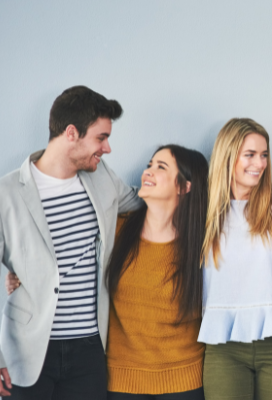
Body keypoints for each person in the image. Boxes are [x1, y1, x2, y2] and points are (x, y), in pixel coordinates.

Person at [0, 86, 141, 399]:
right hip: (26, 352)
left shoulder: (103, 178)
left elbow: (144, 207)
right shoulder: (1, 195)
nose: (108, 148)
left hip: (89, 351)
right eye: (101, 137)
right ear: (71, 133)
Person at [199, 118, 272, 400]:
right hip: (223, 346)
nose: (259, 164)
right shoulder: (203, 208)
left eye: (264, 155)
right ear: (228, 155)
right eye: (250, 155)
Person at [104, 145, 208, 399]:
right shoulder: (114, 230)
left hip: (185, 381)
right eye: (149, 165)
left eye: (160, 167)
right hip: (121, 381)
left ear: (185, 186)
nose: (147, 172)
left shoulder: (204, 244)